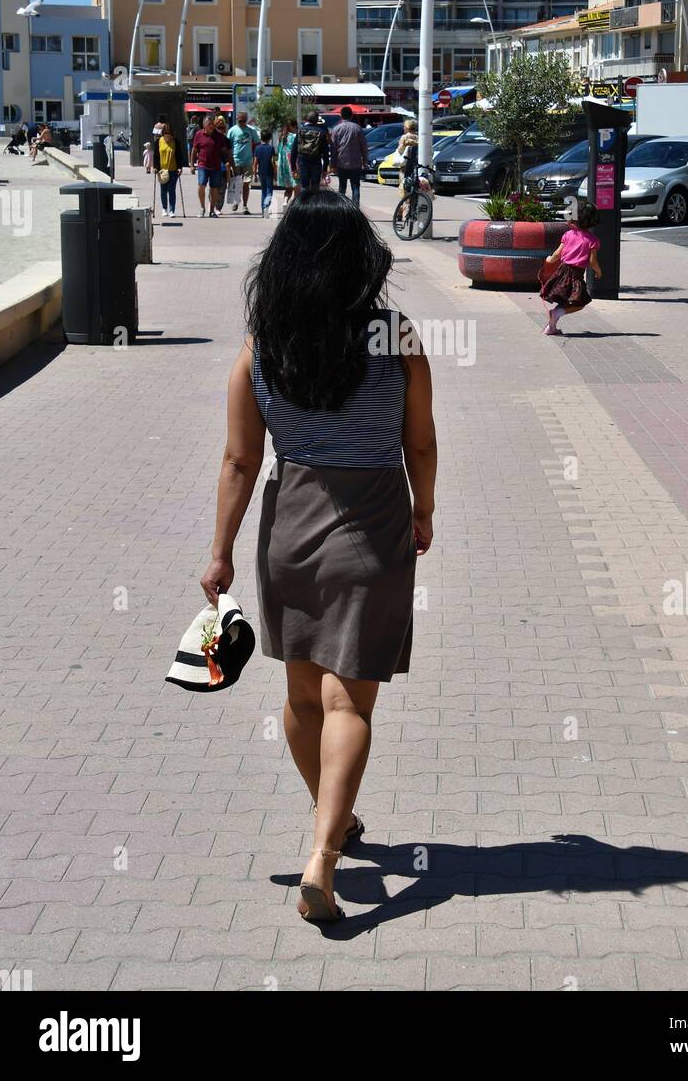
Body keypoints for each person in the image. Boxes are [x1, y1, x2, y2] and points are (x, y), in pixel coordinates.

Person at [200, 191, 437, 923]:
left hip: (289, 533)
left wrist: (220, 555)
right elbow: (418, 442)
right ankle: (324, 856)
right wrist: (424, 510)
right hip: (373, 529)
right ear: (359, 264)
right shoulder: (395, 337)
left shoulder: (262, 346)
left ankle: (331, 819)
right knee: (349, 702)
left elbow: (241, 461)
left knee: (304, 698)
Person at [539, 201, 601, 336]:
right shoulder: (593, 240)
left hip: (562, 271)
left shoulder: (568, 235)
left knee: (565, 299)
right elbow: (592, 261)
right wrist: (598, 271)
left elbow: (557, 253)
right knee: (580, 301)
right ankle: (557, 313)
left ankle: (551, 327)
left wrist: (549, 260)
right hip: (575, 274)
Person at [190, 114, 232, 218]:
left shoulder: (219, 136)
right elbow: (194, 150)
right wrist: (191, 165)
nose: (211, 126)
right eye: (209, 124)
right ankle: (202, 208)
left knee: (214, 188)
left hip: (216, 166)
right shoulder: (198, 134)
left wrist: (228, 162)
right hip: (202, 165)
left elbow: (224, 151)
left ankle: (212, 210)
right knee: (201, 185)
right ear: (204, 125)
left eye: (212, 124)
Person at [329, 106, 369, 209]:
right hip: (355, 162)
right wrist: (365, 160)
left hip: (341, 162)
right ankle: (356, 208)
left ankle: (341, 208)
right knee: (355, 186)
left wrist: (332, 164)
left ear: (341, 115)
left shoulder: (336, 129)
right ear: (351, 115)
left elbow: (333, 148)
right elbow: (364, 146)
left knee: (342, 187)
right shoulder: (357, 128)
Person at [227, 110, 260, 214]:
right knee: (237, 183)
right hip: (236, 161)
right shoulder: (232, 131)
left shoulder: (251, 130)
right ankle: (236, 202)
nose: (242, 123)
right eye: (240, 121)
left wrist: (256, 158)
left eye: (244, 121)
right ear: (237, 119)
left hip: (248, 161)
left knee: (246, 184)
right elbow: (228, 147)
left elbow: (257, 144)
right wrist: (228, 160)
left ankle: (245, 205)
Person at [293, 109, 331, 193]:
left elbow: (294, 150)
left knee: (304, 186)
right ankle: (313, 204)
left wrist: (293, 168)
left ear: (307, 119)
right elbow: (325, 153)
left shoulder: (300, 131)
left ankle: (304, 203)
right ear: (317, 120)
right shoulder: (322, 132)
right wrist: (325, 169)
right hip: (316, 162)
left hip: (303, 162)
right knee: (315, 187)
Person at [157, 123, 181, 219]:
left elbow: (179, 155)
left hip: (173, 169)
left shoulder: (175, 142)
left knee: (172, 190)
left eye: (169, 133)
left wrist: (180, 167)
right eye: (166, 133)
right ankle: (164, 208)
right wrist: (155, 167)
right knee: (163, 190)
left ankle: (172, 210)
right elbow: (156, 156)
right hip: (162, 170)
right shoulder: (159, 141)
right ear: (163, 133)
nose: (168, 134)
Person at [274, 119, 298, 211]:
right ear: (292, 126)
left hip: (283, 165)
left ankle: (285, 201)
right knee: (296, 186)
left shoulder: (282, 137)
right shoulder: (294, 137)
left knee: (288, 188)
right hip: (292, 164)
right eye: (296, 127)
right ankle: (295, 206)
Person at [254, 129, 276, 217]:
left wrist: (255, 173)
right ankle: (267, 206)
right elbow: (272, 161)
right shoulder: (271, 148)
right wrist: (275, 173)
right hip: (269, 172)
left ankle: (263, 210)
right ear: (270, 138)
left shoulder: (257, 148)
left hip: (261, 172)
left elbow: (255, 162)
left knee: (263, 191)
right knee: (269, 191)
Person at [213, 115, 232, 213]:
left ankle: (218, 207)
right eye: (219, 128)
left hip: (224, 167)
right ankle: (213, 204)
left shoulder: (227, 140)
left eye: (223, 128)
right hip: (213, 166)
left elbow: (230, 154)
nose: (221, 130)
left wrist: (232, 165)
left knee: (223, 187)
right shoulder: (212, 139)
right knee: (214, 186)